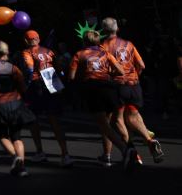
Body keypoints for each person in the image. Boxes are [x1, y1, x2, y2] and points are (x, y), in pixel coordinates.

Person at [68, 29, 138, 169]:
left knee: (104, 125)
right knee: (107, 124)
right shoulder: (105, 53)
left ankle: (126, 150)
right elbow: (120, 71)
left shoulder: (79, 54)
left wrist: (85, 74)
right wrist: (106, 72)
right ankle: (107, 156)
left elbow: (71, 77)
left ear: (84, 41)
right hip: (109, 88)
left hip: (93, 89)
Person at [100, 17, 164, 164]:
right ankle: (150, 140)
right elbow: (141, 64)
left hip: (118, 85)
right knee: (133, 115)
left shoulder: (103, 46)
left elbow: (104, 70)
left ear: (103, 30)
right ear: (117, 29)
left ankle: (132, 152)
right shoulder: (128, 44)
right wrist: (134, 76)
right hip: (134, 85)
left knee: (118, 119)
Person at [21, 30, 72, 166]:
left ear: (26, 41)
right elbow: (59, 66)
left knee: (33, 119)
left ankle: (40, 152)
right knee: (55, 120)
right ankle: (65, 154)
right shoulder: (50, 51)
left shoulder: (27, 52)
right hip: (52, 83)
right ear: (38, 38)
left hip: (37, 85)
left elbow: (29, 68)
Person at [0, 41, 35, 177]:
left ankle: (15, 156)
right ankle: (22, 168)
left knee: (2, 135)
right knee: (16, 136)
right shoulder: (14, 68)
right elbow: (23, 86)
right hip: (15, 103)